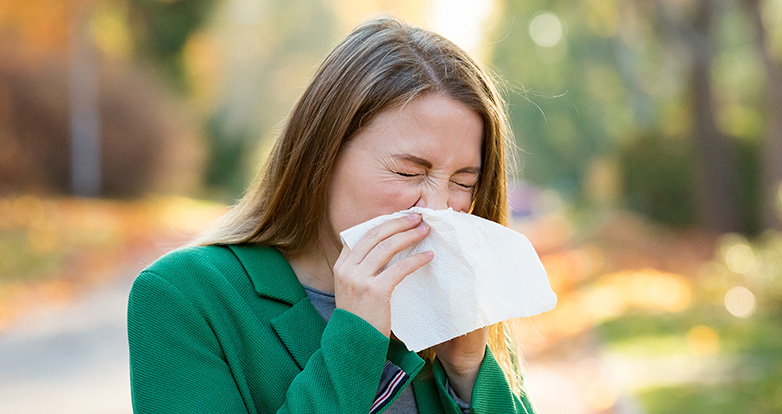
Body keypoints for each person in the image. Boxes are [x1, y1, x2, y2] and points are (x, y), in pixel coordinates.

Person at [128, 16, 538, 413]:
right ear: (322, 157)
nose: (438, 207)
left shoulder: (460, 302)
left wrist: (469, 371)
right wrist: (354, 344)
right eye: (409, 172)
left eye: (464, 182)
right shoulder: (185, 297)